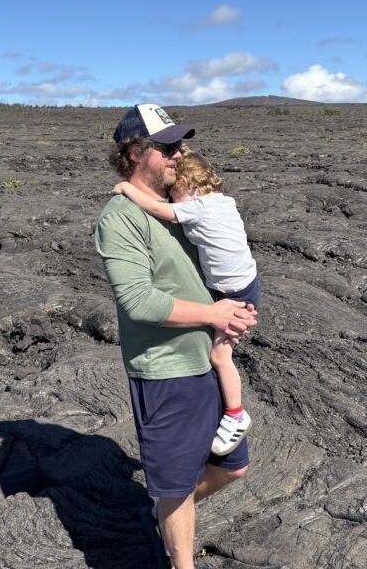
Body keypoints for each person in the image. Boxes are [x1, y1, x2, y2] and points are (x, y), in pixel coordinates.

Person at [94, 103, 257, 569]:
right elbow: (140, 302)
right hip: (167, 370)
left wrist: (236, 310)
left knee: (233, 467)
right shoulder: (120, 218)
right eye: (166, 147)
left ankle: (164, 511)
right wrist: (215, 312)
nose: (178, 154)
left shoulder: (181, 206)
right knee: (176, 488)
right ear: (132, 153)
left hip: (204, 359)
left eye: (180, 144)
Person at [112, 151, 260, 457]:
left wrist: (127, 189)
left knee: (220, 357)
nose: (173, 201)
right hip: (245, 283)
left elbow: (157, 210)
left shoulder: (198, 208)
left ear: (190, 187)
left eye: (175, 195)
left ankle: (235, 414)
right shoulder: (224, 202)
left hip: (233, 292)